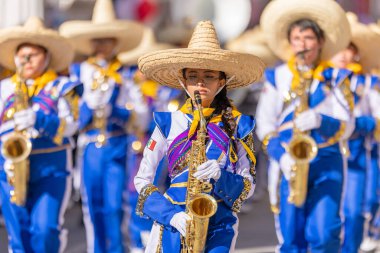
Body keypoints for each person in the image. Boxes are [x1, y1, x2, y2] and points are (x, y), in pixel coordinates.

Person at [134, 20, 264, 252]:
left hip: (219, 223)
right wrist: (170, 216)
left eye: (209, 76)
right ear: (183, 82)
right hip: (174, 221)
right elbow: (142, 181)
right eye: (193, 76)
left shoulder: (239, 125)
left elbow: (248, 186)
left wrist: (221, 176)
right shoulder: (167, 122)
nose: (200, 83)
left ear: (221, 82)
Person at [257, 0, 354, 252]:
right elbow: (265, 125)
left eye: (308, 37)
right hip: (289, 159)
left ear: (320, 42)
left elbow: (349, 125)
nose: (302, 44)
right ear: (289, 42)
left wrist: (323, 121)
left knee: (324, 234)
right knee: (291, 236)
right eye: (296, 37)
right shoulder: (277, 76)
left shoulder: (335, 77)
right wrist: (281, 156)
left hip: (326, 159)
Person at [59, 0, 146, 252]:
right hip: (89, 145)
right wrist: (89, 107)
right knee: (92, 205)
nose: (101, 45)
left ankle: (118, 248)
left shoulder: (126, 74)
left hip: (117, 143)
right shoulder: (77, 72)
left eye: (107, 40)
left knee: (115, 206)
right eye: (97, 40)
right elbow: (71, 115)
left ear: (115, 43)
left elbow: (140, 116)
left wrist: (115, 110)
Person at [0, 16, 80, 253]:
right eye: (22, 54)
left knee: (45, 232)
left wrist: (40, 119)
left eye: (33, 54)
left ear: (46, 57)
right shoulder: (4, 87)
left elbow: (73, 126)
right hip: (10, 169)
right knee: (18, 235)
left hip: (51, 169)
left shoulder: (63, 87)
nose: (26, 59)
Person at [328, 16, 380, 253]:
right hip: (326, 154)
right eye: (338, 48)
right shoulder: (321, 82)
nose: (343, 54)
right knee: (326, 213)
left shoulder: (367, 83)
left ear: (356, 53)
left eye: (349, 49)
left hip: (358, 155)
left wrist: (356, 124)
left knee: (355, 210)